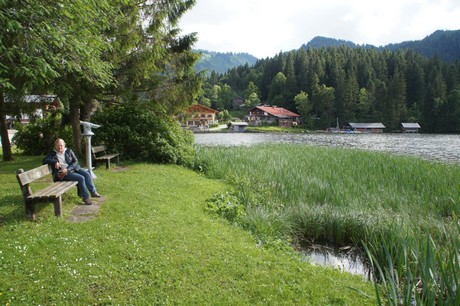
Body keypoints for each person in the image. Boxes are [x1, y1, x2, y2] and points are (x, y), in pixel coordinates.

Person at [43, 138, 101, 205]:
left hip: (72, 169)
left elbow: (75, 162)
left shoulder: (68, 151)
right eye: (58, 145)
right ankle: (86, 198)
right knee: (81, 178)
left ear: (64, 145)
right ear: (55, 146)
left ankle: (93, 192)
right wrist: (54, 161)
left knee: (87, 174)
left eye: (61, 145)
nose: (60, 147)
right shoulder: (52, 154)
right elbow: (44, 160)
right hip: (62, 174)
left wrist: (68, 169)